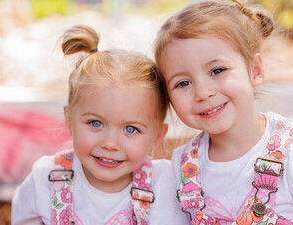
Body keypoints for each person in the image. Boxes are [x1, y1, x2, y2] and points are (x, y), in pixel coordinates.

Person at [153, 0, 293, 225]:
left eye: (217, 70)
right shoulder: (181, 167)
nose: (203, 92)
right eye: (183, 83)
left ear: (255, 70)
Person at [12, 25, 187, 224]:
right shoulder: (45, 179)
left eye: (131, 129)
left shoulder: (166, 185)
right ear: (69, 121)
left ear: (156, 137)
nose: (110, 143)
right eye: (95, 123)